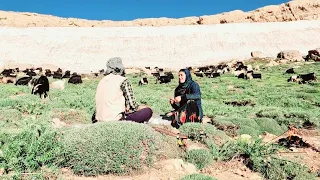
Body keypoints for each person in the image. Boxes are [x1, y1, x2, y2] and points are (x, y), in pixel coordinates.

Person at [92, 57, 153, 123]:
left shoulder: (102, 80)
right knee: (148, 111)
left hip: (99, 120)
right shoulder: (123, 80)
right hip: (116, 121)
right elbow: (134, 106)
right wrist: (144, 107)